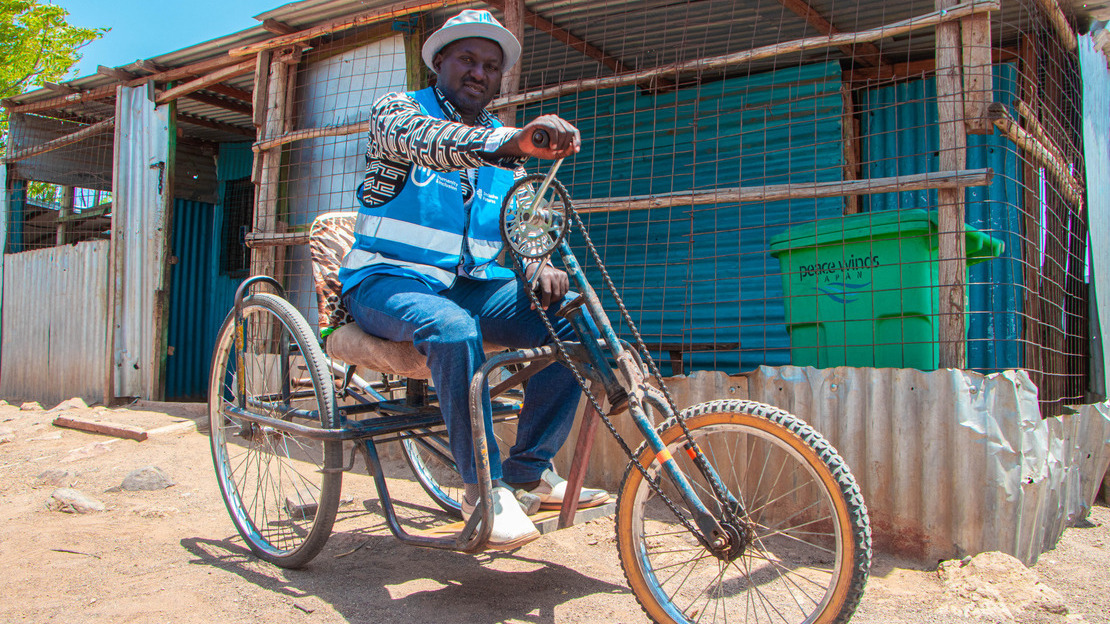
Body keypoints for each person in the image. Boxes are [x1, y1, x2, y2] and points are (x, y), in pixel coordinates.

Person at [339, 9, 608, 550]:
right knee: (452, 327)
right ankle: (482, 490)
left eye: (490, 65)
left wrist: (536, 264)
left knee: (576, 320)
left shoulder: (505, 147)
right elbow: (428, 140)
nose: (479, 72)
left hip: (470, 285)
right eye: (467, 58)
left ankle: (527, 473)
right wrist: (513, 140)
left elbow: (524, 221)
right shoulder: (398, 112)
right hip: (386, 281)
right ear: (439, 61)